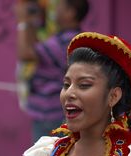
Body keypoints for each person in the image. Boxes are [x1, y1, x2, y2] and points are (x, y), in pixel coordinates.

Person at [15, 0, 89, 142]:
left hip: (51, 114)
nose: (54, 10)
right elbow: (37, 49)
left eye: (60, 6)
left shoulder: (64, 41)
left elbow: (26, 54)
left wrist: (23, 22)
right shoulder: (74, 37)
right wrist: (32, 23)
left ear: (70, 12)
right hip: (57, 112)